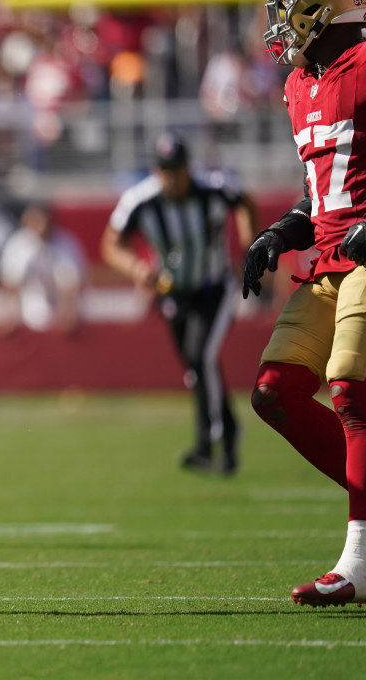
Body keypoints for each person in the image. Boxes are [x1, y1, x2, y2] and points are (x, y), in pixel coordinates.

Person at [242, 0, 366, 608]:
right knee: (275, 391)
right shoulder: (302, 83)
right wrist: (282, 231)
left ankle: (363, 561)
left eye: (296, 10)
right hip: (329, 259)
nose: (284, 26)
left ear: (335, 6)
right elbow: (324, 190)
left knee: (353, 390)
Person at [101, 134, 258, 475]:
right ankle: (222, 433)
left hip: (214, 287)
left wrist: (249, 244)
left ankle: (214, 439)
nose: (171, 178)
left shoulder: (213, 189)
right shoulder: (140, 200)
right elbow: (110, 245)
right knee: (195, 367)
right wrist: (136, 267)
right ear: (156, 170)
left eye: (177, 170)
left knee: (202, 357)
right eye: (165, 170)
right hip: (172, 292)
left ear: (188, 168)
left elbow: (245, 201)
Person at [0, 202, 86, 335]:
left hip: (65, 305)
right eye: (34, 221)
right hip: (29, 305)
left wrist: (68, 315)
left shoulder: (65, 243)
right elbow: (10, 284)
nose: (39, 226)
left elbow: (70, 285)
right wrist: (8, 315)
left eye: (42, 221)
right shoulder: (17, 245)